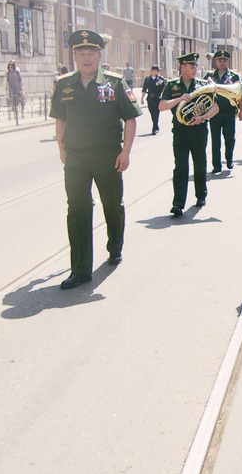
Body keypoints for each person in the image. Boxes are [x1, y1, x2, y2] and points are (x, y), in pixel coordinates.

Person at [50, 30, 141, 288]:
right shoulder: (64, 84)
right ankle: (80, 270)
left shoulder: (114, 83)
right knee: (77, 209)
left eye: (91, 52)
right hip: (76, 156)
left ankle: (115, 247)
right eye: (81, 53)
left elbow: (130, 118)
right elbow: (60, 119)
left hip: (107, 155)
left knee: (112, 205)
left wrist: (126, 152)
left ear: (99, 55)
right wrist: (61, 148)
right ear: (75, 56)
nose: (86, 58)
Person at [159, 51, 211, 216]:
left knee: (200, 164)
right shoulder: (172, 85)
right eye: (191, 66)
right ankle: (178, 203)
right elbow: (162, 106)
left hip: (199, 130)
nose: (195, 69)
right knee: (180, 166)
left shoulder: (203, 85)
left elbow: (215, 108)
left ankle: (201, 195)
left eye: (196, 66)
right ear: (182, 67)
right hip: (180, 131)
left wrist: (202, 117)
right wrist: (179, 99)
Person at [206, 48, 242, 173]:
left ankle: (229, 159)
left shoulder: (234, 76)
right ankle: (216, 165)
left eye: (224, 60)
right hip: (214, 113)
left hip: (229, 112)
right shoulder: (209, 76)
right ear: (216, 62)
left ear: (228, 62)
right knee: (215, 140)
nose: (222, 63)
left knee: (230, 138)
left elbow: (240, 93)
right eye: (219, 60)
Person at [141, 65, 166, 135]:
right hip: (150, 98)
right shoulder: (147, 79)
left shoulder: (160, 79)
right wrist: (142, 98)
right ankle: (156, 125)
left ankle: (155, 128)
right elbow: (144, 89)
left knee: (156, 113)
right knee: (152, 112)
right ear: (151, 71)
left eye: (157, 71)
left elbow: (164, 89)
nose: (156, 72)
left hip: (157, 98)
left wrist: (164, 98)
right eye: (155, 71)